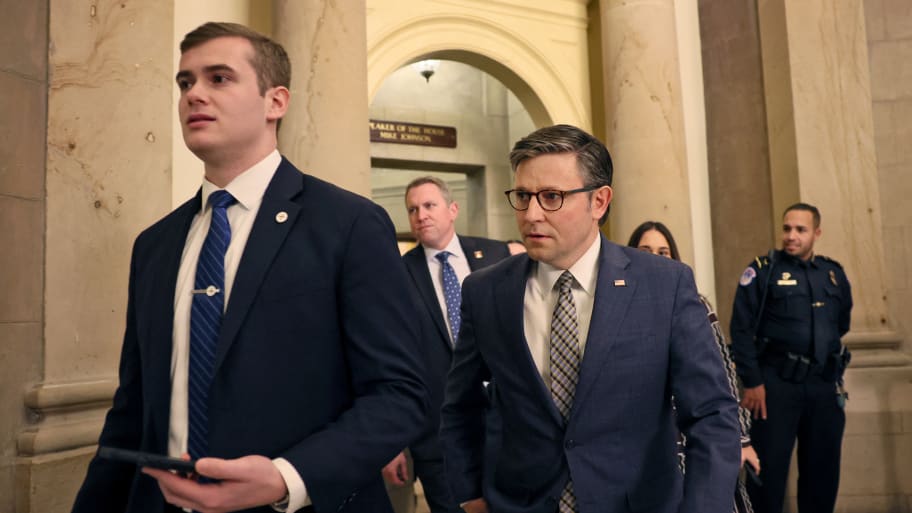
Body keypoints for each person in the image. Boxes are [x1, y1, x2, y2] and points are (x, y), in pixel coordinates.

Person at [71, 22, 428, 513]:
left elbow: (401, 395)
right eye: (185, 82)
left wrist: (287, 478)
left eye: (218, 78)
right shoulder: (154, 246)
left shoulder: (347, 224)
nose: (194, 94)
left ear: (275, 101)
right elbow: (134, 408)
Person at [439, 124, 741, 513]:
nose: (531, 214)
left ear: (599, 201)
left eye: (551, 197)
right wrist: (471, 496)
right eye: (523, 196)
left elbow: (712, 414)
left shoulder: (663, 286)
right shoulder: (486, 291)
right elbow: (461, 406)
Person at [384, 176, 510, 513]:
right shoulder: (396, 273)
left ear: (452, 209)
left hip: (508, 427)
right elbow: (393, 358)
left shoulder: (496, 255)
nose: (420, 215)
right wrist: (397, 442)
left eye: (429, 205)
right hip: (437, 436)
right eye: (412, 209)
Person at [627, 220, 758, 513]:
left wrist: (741, 439)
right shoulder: (616, 306)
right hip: (643, 445)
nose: (654, 258)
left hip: (692, 438)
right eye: (645, 250)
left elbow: (721, 378)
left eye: (663, 252)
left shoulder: (693, 304)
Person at [730, 203, 852, 513]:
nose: (791, 236)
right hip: (775, 388)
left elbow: (842, 323)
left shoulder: (833, 274)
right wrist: (753, 382)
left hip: (823, 386)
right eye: (787, 228)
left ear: (817, 233)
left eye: (800, 230)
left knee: (822, 476)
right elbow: (741, 331)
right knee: (767, 477)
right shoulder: (763, 270)